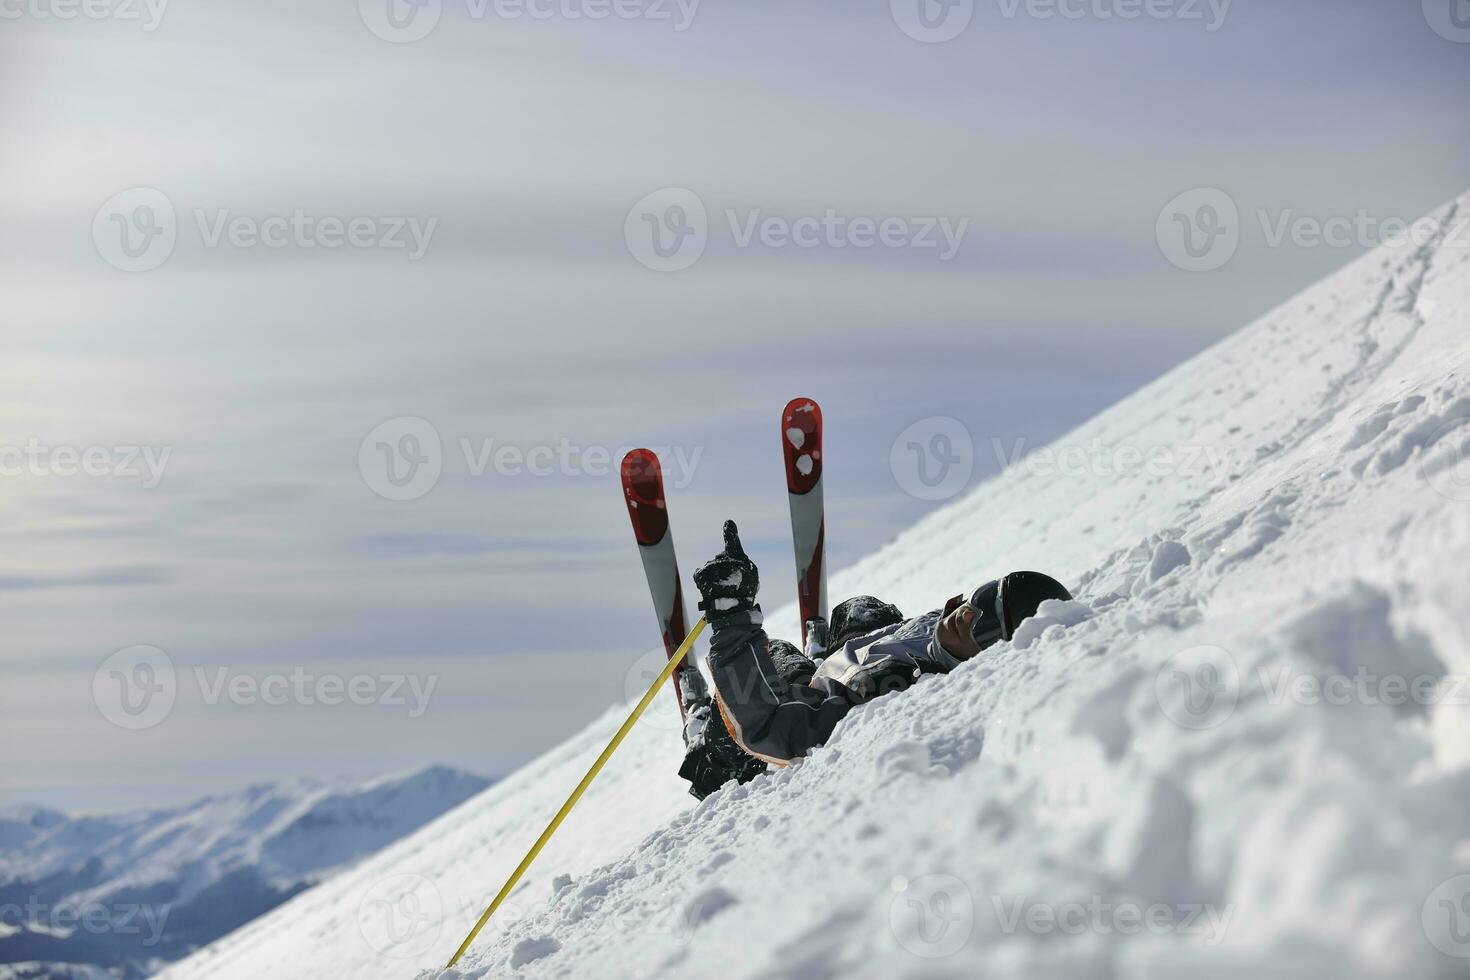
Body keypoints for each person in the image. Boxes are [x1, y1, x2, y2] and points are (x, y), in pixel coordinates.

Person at [677, 520, 1071, 799]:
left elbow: (776, 731)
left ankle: (705, 739)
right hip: (847, 664)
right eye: (979, 599)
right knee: (862, 611)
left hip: (793, 711)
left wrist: (732, 618)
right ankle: (822, 656)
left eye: (985, 623)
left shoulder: (900, 687)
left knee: (776, 658)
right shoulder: (940, 627)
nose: (969, 613)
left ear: (997, 654)